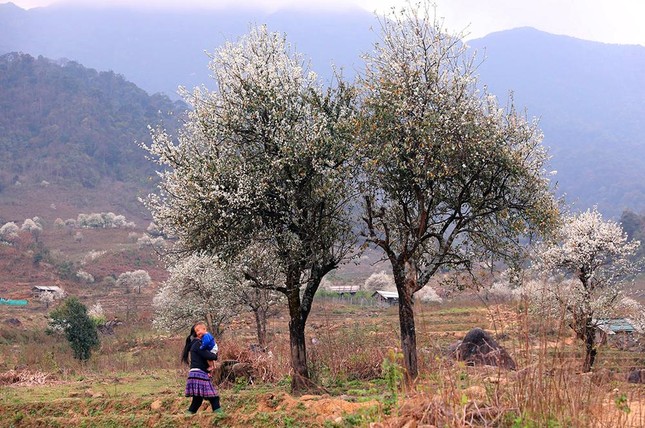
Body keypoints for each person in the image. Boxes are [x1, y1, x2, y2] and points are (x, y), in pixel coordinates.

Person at [181, 321, 221, 414]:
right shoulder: (199, 344)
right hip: (200, 373)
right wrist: (215, 355)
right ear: (197, 334)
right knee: (214, 398)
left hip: (194, 373)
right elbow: (211, 356)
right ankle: (221, 418)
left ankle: (186, 418)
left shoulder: (195, 344)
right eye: (197, 331)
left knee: (197, 400)